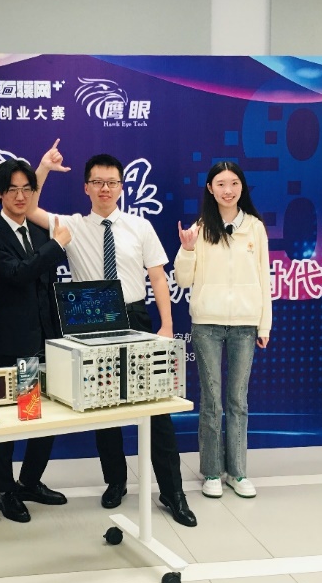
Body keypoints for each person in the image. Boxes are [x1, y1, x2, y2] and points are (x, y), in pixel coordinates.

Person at [30, 147, 197, 527]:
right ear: (86, 187)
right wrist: (43, 168)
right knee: (103, 408)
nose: (105, 188)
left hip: (135, 318)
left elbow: (158, 277)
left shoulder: (140, 226)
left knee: (157, 408)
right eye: (97, 182)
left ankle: (173, 492)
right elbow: (31, 206)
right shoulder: (70, 226)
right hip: (91, 321)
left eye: (111, 182)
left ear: (121, 187)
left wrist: (166, 325)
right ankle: (115, 482)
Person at [0, 159, 72, 523]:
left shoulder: (40, 230)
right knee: (8, 421)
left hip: (48, 339)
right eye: (12, 189)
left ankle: (30, 481)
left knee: (43, 416)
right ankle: (5, 490)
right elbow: (17, 274)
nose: (20, 196)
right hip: (13, 342)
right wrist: (56, 246)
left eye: (26, 189)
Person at [173, 161, 271, 499]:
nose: (228, 190)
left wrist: (264, 324)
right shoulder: (200, 228)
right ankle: (212, 472)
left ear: (242, 187)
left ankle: (238, 473)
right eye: (220, 184)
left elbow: (265, 277)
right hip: (207, 324)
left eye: (233, 183)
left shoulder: (255, 228)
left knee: (238, 400)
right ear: (210, 189)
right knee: (212, 401)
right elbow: (182, 279)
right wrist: (187, 249)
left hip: (245, 324)